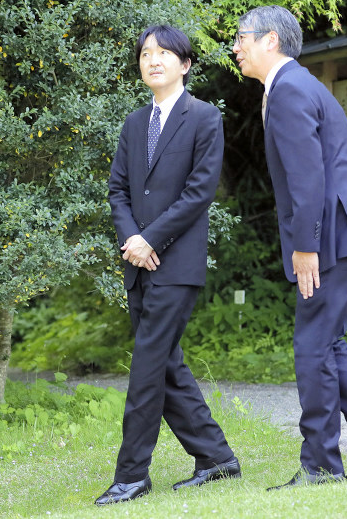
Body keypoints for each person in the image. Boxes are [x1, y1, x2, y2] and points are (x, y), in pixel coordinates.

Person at [232, 5, 347, 489]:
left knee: (312, 346)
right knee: (328, 341)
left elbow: (307, 176)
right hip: (346, 232)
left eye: (242, 37)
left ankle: (320, 467)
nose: (235, 47)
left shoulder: (289, 90)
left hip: (331, 237)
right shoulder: (299, 86)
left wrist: (305, 247)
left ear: (271, 40)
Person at [95, 25, 240, 506]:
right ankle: (216, 458)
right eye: (145, 54)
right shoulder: (134, 124)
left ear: (185, 63)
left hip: (176, 264)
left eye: (163, 53)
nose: (152, 60)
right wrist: (131, 240)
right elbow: (117, 191)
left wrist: (149, 238)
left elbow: (200, 193)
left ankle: (132, 475)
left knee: (145, 368)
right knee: (166, 365)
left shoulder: (204, 118)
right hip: (136, 263)